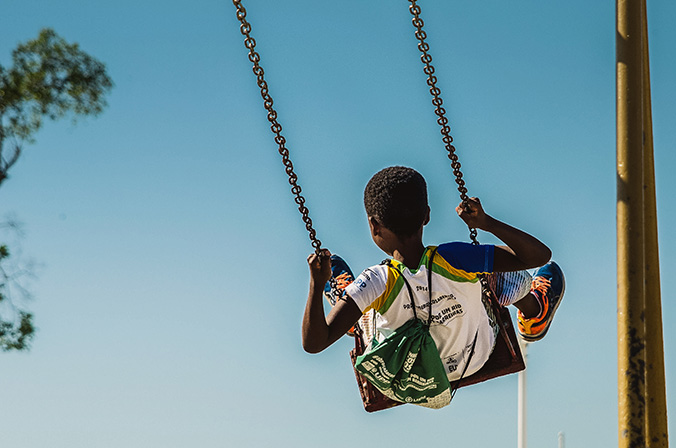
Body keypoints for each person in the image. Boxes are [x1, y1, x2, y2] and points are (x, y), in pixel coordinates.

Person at [301, 166, 565, 385]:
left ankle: (351, 317)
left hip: (405, 378)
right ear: (427, 215)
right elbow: (538, 256)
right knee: (502, 277)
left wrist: (317, 283)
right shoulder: (457, 257)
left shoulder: (376, 280)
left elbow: (314, 343)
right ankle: (535, 312)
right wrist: (486, 223)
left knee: (366, 305)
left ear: (373, 225)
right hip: (471, 361)